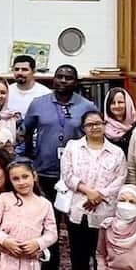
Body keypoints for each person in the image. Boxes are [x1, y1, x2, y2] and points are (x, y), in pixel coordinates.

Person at [59, 109, 128, 270]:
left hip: (105, 211)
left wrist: (99, 195)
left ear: (105, 125)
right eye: (90, 125)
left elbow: (120, 178)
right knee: (79, 254)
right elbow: (67, 175)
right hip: (79, 209)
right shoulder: (73, 147)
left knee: (102, 254)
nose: (95, 127)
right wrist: (88, 191)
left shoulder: (116, 152)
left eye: (98, 123)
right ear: (83, 128)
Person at [18, 63, 96, 204]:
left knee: (74, 215)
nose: (63, 81)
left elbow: (94, 137)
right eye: (59, 77)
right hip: (44, 168)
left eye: (68, 78)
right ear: (53, 79)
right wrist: (30, 158)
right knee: (46, 212)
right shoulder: (38, 103)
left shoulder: (87, 106)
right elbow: (27, 132)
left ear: (76, 82)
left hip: (77, 171)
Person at [5, 55, 45, 125]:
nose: (19, 73)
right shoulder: (6, 91)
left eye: (24, 70)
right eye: (16, 69)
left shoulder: (44, 93)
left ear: (34, 71)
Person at [104, 87, 136, 152]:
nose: (117, 106)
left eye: (120, 102)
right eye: (113, 103)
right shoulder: (102, 129)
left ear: (128, 104)